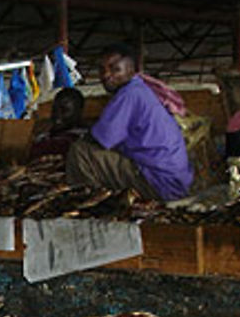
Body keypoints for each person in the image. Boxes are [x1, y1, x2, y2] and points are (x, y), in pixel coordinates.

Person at [65, 43, 193, 201]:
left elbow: (101, 139)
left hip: (158, 181)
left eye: (115, 69)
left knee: (80, 152)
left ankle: (88, 204)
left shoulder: (129, 94)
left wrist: (78, 135)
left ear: (131, 69)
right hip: (174, 179)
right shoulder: (141, 90)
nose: (106, 75)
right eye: (102, 70)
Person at [29, 87, 86, 161]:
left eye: (64, 110)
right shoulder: (43, 137)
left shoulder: (80, 141)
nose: (57, 115)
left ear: (78, 113)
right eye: (54, 110)